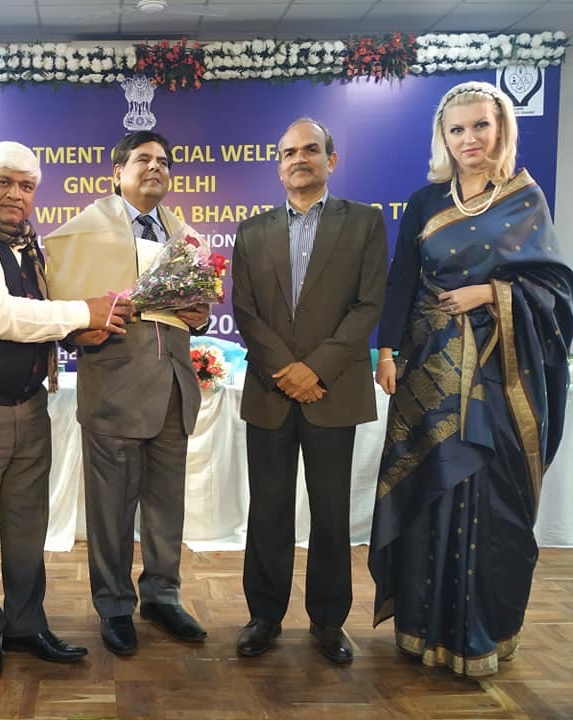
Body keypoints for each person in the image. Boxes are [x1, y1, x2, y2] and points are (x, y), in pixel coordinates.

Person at [369, 81, 573, 677]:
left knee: (491, 499)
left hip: (501, 378)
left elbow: (557, 293)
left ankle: (480, 633)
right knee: (429, 492)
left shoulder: (526, 200)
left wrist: (492, 292)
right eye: (456, 130)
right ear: (443, 137)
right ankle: (422, 628)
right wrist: (386, 351)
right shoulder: (425, 202)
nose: (468, 140)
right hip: (429, 374)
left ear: (501, 129)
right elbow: (400, 281)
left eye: (480, 126)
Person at [0, 141, 134, 683]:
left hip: (29, 406)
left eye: (26, 185)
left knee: (26, 529)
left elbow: (36, 321)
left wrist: (79, 330)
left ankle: (25, 624)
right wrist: (81, 312)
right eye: (3, 182)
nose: (16, 194)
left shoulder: (26, 244)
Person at [44, 130, 210, 657]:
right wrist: (74, 330)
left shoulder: (184, 235)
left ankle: (162, 595)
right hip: (114, 385)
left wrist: (200, 317)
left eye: (163, 161)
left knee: (166, 506)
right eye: (143, 159)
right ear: (116, 171)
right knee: (111, 511)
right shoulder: (81, 233)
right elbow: (63, 305)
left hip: (174, 389)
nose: (155, 168)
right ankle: (114, 605)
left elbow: (189, 314)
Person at [231, 118, 387, 664]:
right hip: (270, 391)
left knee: (330, 512)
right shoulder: (251, 231)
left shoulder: (365, 223)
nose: (300, 158)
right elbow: (244, 312)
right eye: (289, 151)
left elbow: (368, 306)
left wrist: (315, 370)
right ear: (278, 165)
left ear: (331, 160)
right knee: (268, 510)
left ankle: (327, 621)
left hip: (332, 390)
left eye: (311, 150)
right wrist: (286, 370)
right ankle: (264, 615)